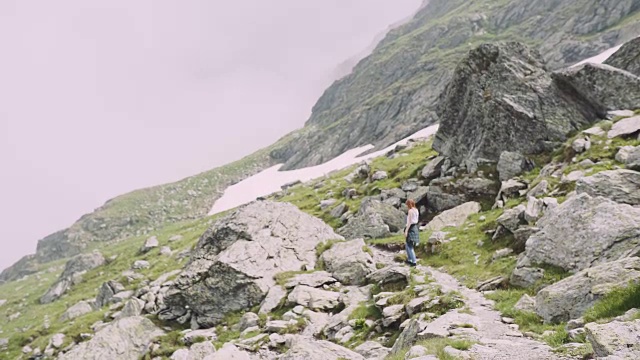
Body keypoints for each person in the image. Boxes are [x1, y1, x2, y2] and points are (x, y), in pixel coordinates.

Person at [404, 199, 419, 267]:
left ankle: (414, 262)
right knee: (407, 245)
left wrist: (406, 231)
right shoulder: (416, 210)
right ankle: (410, 260)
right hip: (415, 227)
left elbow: (409, 222)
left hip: (410, 227)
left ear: (409, 204)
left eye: (407, 205)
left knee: (409, 246)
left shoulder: (410, 211)